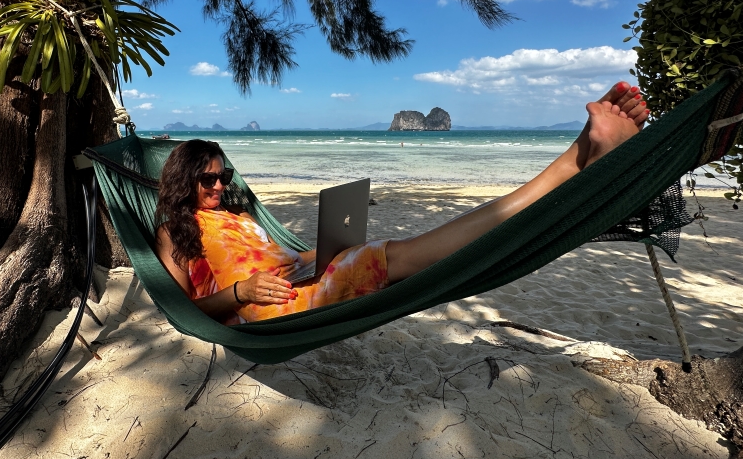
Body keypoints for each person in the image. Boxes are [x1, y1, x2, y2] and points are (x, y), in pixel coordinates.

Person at [155, 82, 650, 324]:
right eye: (205, 179)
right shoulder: (176, 228)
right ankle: (575, 159)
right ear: (184, 182)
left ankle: (581, 157)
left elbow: (284, 260)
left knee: (387, 250)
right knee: (402, 254)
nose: (218, 186)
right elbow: (184, 311)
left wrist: (321, 249)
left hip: (302, 279)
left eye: (224, 175)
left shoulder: (239, 216)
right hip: (270, 309)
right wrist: (242, 293)